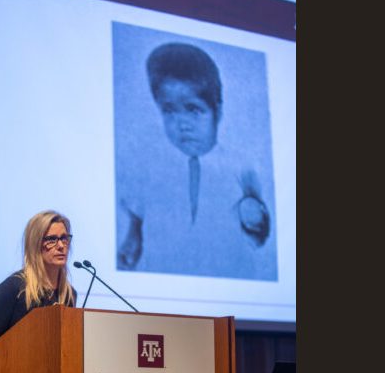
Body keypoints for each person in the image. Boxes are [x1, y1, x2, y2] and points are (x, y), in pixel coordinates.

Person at [116, 42, 274, 280]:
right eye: (169, 110)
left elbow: (261, 235)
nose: (182, 124)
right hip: (161, 288)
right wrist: (133, 239)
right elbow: (138, 218)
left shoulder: (241, 167)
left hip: (227, 290)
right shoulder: (150, 168)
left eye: (194, 110)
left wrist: (255, 221)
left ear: (217, 111)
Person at [0, 210, 77, 353]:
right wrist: (21, 355)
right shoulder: (14, 288)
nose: (61, 245)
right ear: (35, 244)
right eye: (52, 239)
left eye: (64, 238)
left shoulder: (69, 294)